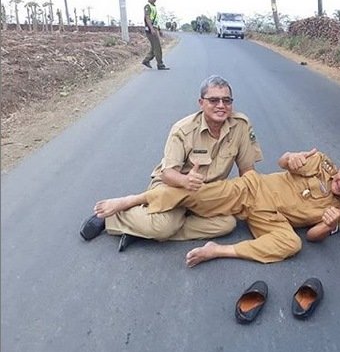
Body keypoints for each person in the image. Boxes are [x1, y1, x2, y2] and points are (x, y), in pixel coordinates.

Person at [90, 149, 340, 266]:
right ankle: (132, 200)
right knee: (196, 195)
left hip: (273, 219)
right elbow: (285, 161)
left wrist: (327, 225)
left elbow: (313, 237)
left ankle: (217, 250)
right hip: (252, 191)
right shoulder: (321, 163)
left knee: (292, 244)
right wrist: (290, 159)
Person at [80, 75, 263, 251]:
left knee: (227, 224)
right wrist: (185, 181)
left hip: (209, 193)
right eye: (214, 100)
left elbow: (247, 170)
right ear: (201, 103)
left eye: (227, 100)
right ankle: (113, 219)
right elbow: (168, 174)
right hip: (173, 188)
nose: (221, 106)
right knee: (164, 226)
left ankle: (144, 230)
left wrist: (256, 201)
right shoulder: (183, 130)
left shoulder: (241, 125)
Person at [141, 0, 169, 70]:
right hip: (150, 30)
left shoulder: (154, 7)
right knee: (157, 47)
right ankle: (160, 64)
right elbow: (147, 18)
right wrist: (152, 29)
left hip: (154, 28)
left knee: (154, 48)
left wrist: (159, 30)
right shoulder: (148, 6)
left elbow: (155, 20)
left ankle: (146, 60)